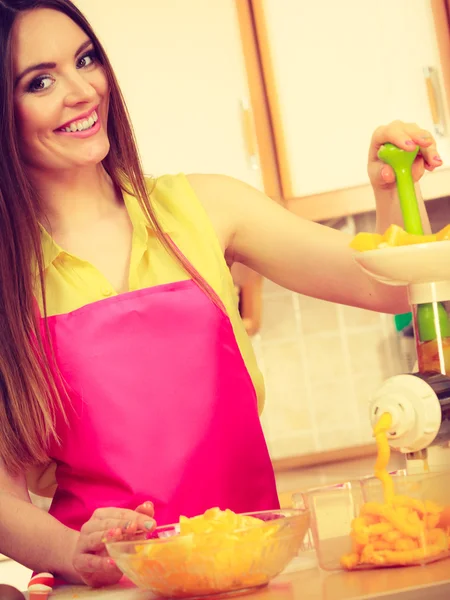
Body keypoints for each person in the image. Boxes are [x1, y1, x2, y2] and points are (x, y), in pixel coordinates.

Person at [0, 0, 442, 589]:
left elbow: (383, 288)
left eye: (87, 60)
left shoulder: (206, 207)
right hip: (111, 591)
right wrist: (69, 550)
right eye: (41, 80)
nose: (82, 91)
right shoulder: (8, 280)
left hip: (250, 574)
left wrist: (392, 191)